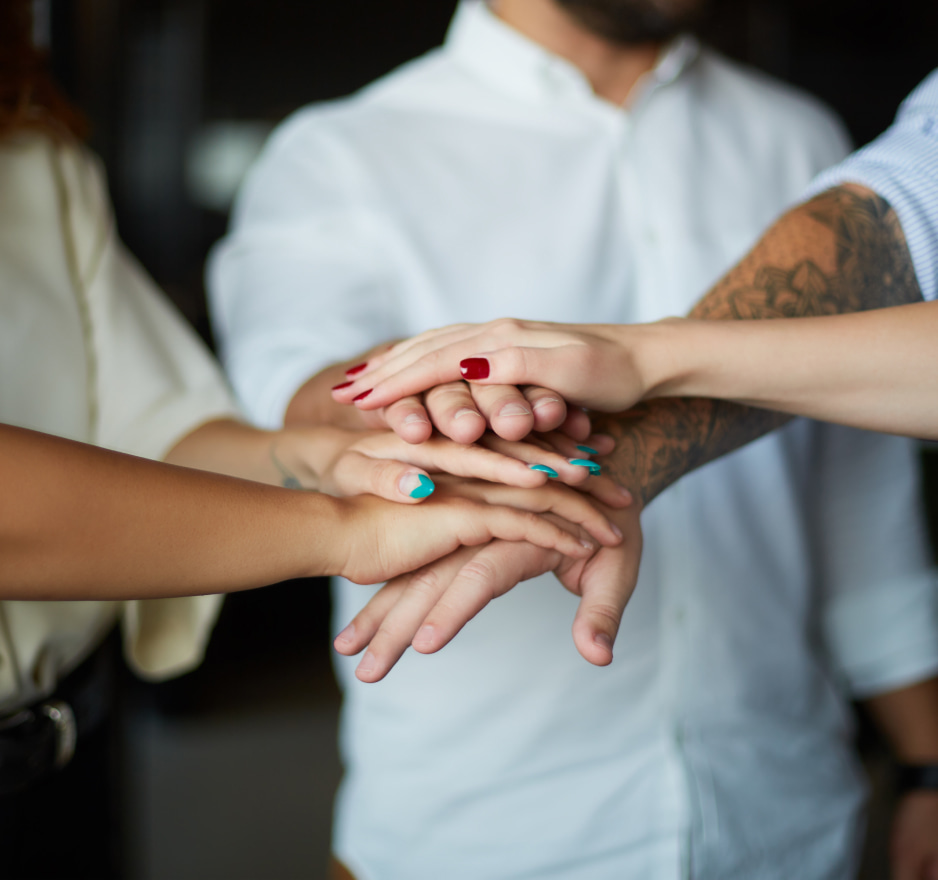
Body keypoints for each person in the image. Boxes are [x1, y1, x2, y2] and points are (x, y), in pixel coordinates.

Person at [210, 2, 938, 878]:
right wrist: (428, 400)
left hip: (787, 819)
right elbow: (293, 396)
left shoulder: (797, 135)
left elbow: (856, 486)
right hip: (484, 833)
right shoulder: (339, 150)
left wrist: (926, 761)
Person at [0, 5, 622, 877]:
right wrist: (347, 533)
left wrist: (325, 460)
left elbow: (154, 435)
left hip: (61, 767)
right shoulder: (338, 147)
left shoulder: (31, 151)